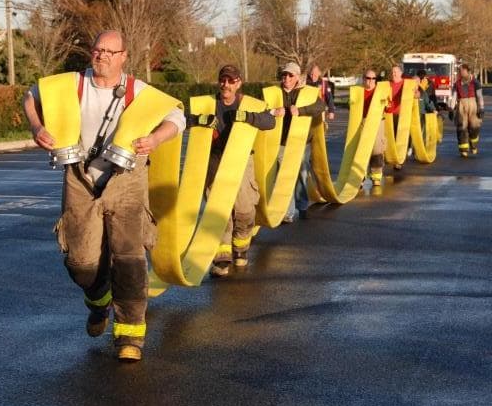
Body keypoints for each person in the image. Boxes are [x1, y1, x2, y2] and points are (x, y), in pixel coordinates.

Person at [23, 30, 186, 363]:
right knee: (81, 262)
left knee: (129, 259)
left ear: (123, 56)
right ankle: (98, 299)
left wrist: (155, 140)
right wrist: (37, 128)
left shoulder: (138, 91)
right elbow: (31, 96)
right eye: (98, 50)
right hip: (80, 176)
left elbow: (177, 117)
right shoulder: (72, 84)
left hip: (126, 178)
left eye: (110, 52)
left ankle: (130, 335)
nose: (102, 56)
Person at [187, 64, 275, 278]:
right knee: (219, 209)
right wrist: (198, 120)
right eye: (222, 80)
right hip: (215, 160)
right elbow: (182, 120)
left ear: (238, 83)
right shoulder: (208, 104)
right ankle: (221, 256)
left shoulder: (248, 103)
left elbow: (269, 121)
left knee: (245, 208)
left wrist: (248, 117)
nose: (226, 84)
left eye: (230, 81)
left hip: (242, 159)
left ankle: (240, 246)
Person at [273, 61, 325, 221]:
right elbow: (261, 108)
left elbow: (320, 106)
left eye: (290, 75)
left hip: (302, 140)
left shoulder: (306, 92)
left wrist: (301, 111)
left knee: (301, 173)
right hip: (282, 141)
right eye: (284, 75)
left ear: (297, 77)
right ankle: (287, 212)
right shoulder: (274, 93)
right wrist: (273, 111)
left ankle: (302, 206)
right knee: (284, 175)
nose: (286, 78)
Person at [448, 63, 485, 157]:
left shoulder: (475, 82)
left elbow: (480, 96)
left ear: (468, 72)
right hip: (461, 106)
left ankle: (473, 145)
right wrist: (451, 109)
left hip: (473, 106)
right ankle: (463, 149)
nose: (461, 73)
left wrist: (481, 108)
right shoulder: (457, 84)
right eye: (460, 72)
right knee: (461, 127)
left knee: (474, 127)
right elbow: (454, 97)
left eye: (463, 71)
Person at [362, 69, 386, 186]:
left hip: (377, 122)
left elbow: (388, 107)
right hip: (362, 122)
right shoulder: (358, 92)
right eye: (368, 78)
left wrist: (387, 103)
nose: (371, 81)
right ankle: (360, 176)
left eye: (373, 78)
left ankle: (376, 176)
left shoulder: (380, 92)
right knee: (361, 149)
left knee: (377, 150)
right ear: (363, 79)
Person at [386, 64, 405, 169]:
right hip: (388, 114)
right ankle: (390, 157)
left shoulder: (405, 84)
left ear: (401, 73)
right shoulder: (387, 84)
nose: (393, 74)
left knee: (399, 137)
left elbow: (417, 94)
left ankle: (398, 160)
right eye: (392, 72)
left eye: (396, 71)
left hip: (401, 114)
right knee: (389, 137)